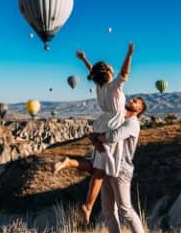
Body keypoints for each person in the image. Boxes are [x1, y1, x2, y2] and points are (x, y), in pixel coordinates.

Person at [54, 42, 134, 223]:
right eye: (109, 67)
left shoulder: (100, 87)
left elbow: (93, 70)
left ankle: (70, 162)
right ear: (107, 72)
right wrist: (129, 54)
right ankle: (88, 206)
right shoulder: (113, 87)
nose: (112, 67)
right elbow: (125, 73)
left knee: (96, 166)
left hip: (103, 124)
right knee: (100, 171)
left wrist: (84, 60)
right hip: (112, 127)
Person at [54, 97, 146, 233]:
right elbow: (106, 144)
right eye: (132, 99)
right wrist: (97, 139)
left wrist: (98, 137)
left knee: (125, 209)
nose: (131, 100)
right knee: (108, 210)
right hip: (108, 166)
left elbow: (113, 136)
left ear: (138, 110)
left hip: (121, 170)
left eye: (135, 101)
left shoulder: (132, 123)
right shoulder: (119, 121)